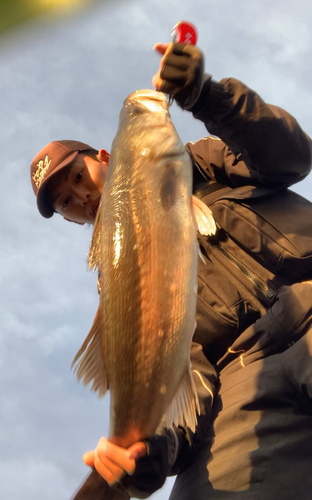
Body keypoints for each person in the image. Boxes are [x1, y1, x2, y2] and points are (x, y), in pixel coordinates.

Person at [30, 41, 312, 499]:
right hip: (237, 373)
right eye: (65, 202)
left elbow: (292, 156)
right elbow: (187, 375)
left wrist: (205, 96)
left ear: (104, 157)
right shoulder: (114, 285)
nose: (78, 198)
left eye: (78, 178)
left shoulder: (201, 161)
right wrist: (146, 453)